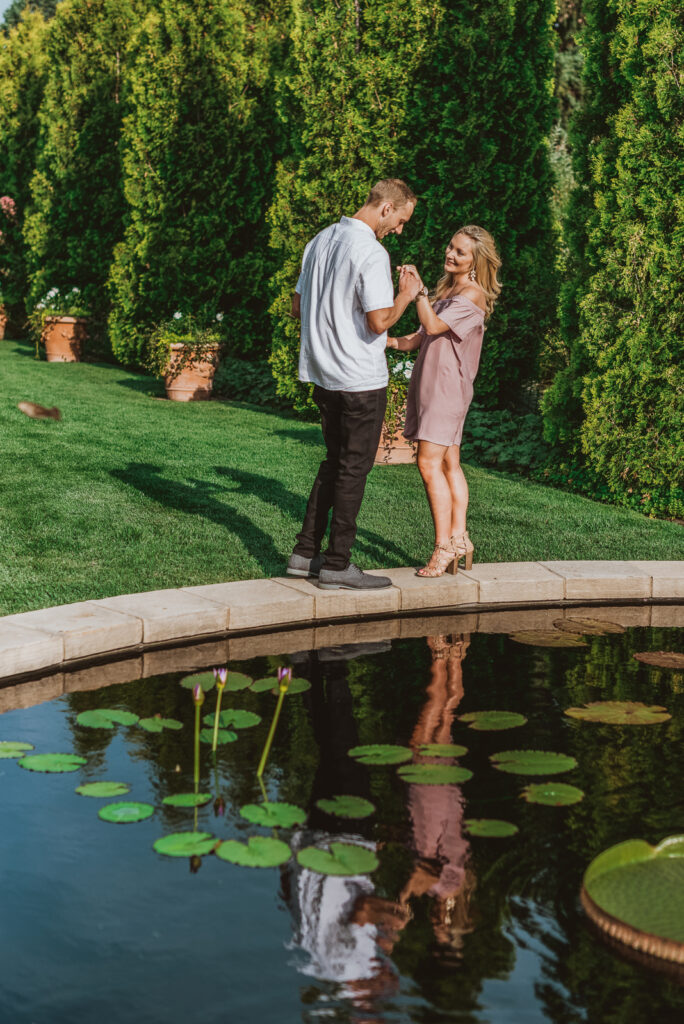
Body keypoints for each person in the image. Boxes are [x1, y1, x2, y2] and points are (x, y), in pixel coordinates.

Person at [287, 179, 421, 590]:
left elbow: (296, 306)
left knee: (333, 462)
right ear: (385, 209)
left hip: (323, 377)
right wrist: (408, 293)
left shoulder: (320, 240)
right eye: (399, 221)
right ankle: (337, 564)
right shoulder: (369, 251)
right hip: (360, 379)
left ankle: (304, 554)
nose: (398, 230)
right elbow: (378, 321)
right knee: (353, 470)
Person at [388, 226, 502, 577]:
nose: (450, 254)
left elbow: (434, 326)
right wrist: (384, 341)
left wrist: (418, 292)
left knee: (427, 464)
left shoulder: (473, 296)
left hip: (447, 391)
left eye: (460, 252)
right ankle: (460, 538)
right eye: (451, 246)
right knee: (450, 463)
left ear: (475, 262)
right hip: (432, 387)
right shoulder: (448, 290)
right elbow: (419, 338)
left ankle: (443, 547)